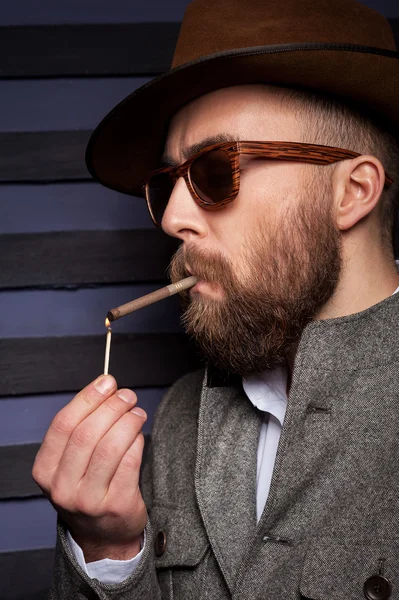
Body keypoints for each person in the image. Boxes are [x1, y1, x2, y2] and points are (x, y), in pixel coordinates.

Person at [32, 0, 399, 598]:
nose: (174, 217)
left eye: (213, 171)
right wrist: (108, 551)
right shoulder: (178, 416)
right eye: (165, 184)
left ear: (352, 191)